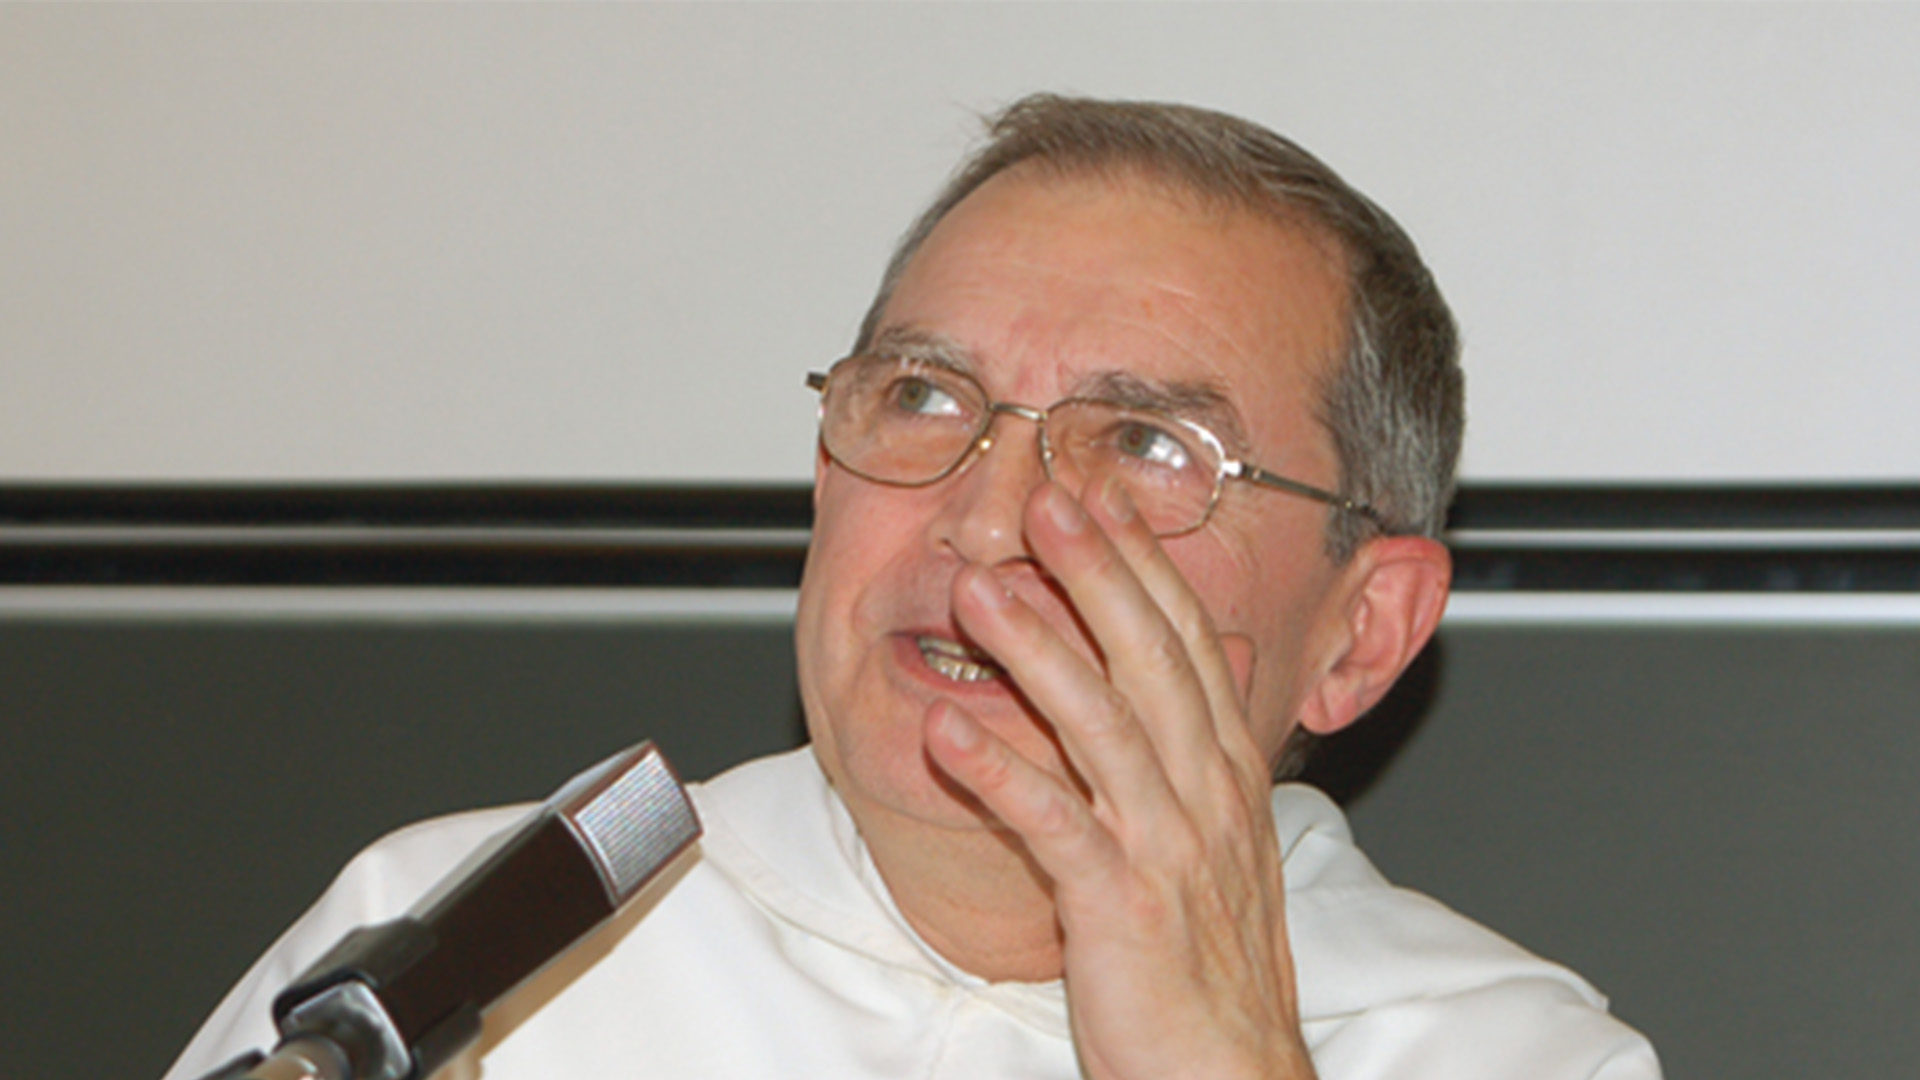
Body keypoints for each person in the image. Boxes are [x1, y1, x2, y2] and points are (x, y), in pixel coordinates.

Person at [165, 95, 1661, 1079]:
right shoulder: (459, 950)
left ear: (1361, 633)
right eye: (926, 397)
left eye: (1145, 441)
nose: (987, 520)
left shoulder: (1510, 1057)